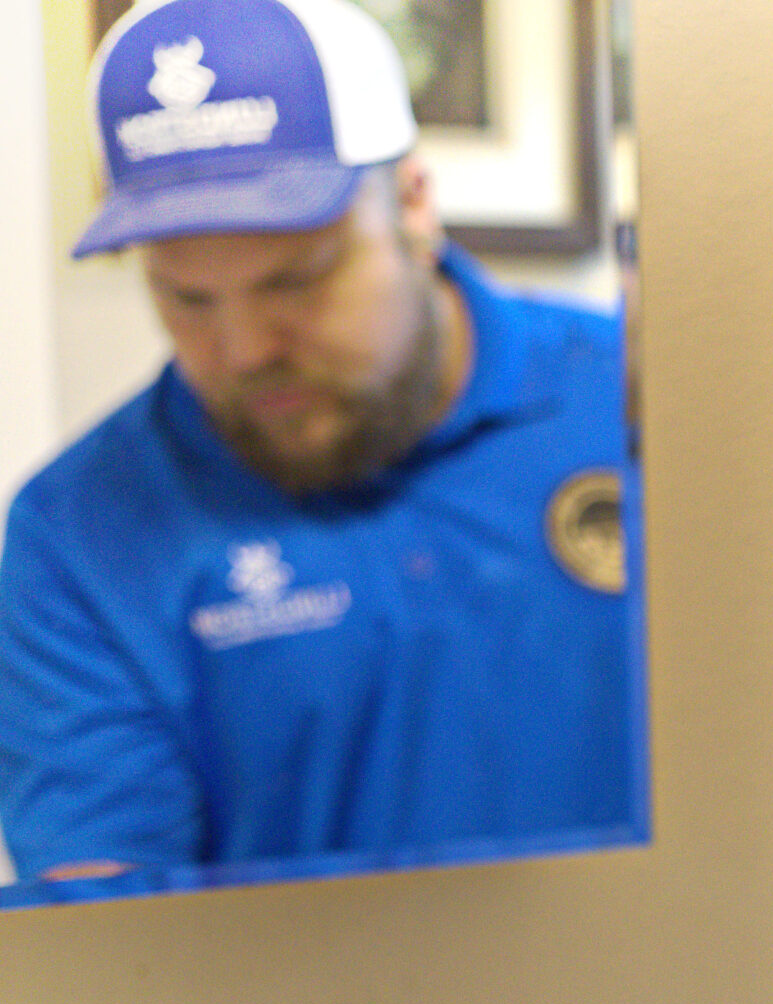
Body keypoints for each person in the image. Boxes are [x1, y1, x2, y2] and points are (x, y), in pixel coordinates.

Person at [0, 0, 641, 895]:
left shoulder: (639, 402)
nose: (245, 349)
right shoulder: (78, 535)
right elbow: (112, 955)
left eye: (295, 280)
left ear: (415, 204)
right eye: (186, 297)